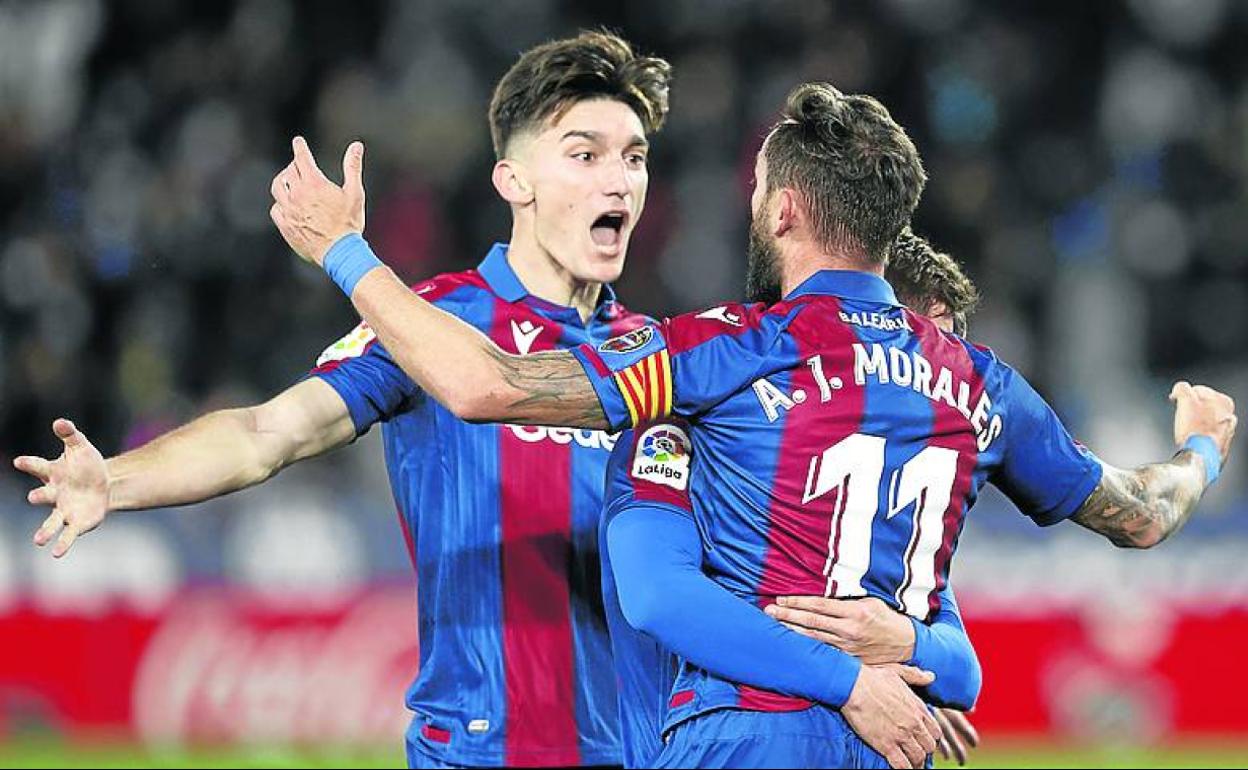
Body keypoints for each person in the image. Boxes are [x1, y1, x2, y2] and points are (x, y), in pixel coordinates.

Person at [268, 82, 1237, 768]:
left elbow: (485, 386)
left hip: (741, 731)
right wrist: (1200, 445)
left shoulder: (718, 355)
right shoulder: (979, 382)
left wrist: (345, 252)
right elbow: (1143, 511)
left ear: (781, 210)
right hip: (897, 739)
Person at [16, 31, 672, 769]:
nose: (619, 181)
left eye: (635, 156)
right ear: (513, 180)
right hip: (480, 753)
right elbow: (271, 432)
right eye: (585, 155)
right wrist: (118, 479)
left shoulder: (662, 355)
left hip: (639, 754)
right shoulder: (431, 322)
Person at [599, 230, 985, 769]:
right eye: (927, 352)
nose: (945, 382)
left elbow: (962, 670)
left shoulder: (888, 508)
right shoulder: (686, 432)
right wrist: (852, 681)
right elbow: (659, 596)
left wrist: (904, 642)